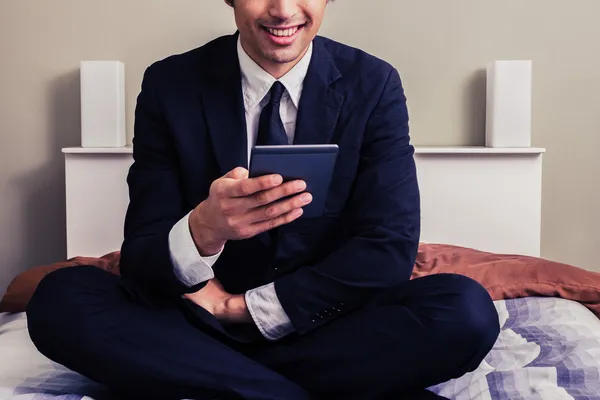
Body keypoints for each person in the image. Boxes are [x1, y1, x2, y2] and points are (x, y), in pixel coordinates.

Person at [26, 0, 500, 399]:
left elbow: (389, 247)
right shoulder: (170, 84)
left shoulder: (372, 84)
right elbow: (142, 256)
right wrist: (202, 230)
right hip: (192, 322)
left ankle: (222, 383)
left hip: (325, 325)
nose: (283, 10)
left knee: (466, 312)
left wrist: (249, 308)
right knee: (61, 299)